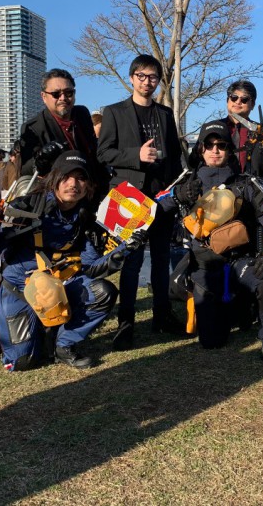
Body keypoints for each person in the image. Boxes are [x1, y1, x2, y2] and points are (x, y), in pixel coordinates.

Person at [0, 150, 144, 371]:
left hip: (59, 285)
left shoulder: (87, 218)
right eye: (67, 177)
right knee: (21, 362)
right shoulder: (29, 206)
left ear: (88, 186)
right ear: (54, 179)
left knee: (102, 292)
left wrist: (123, 250)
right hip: (20, 288)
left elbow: (90, 268)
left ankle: (64, 344)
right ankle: (40, 330)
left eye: (80, 178)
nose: (73, 184)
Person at [157, 120, 263, 370]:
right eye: (209, 145)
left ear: (230, 150)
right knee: (212, 341)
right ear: (201, 149)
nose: (215, 150)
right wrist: (177, 195)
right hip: (205, 268)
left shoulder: (246, 182)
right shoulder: (187, 182)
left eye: (221, 145)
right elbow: (154, 207)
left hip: (241, 261)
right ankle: (236, 309)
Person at [97, 53, 185, 350]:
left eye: (153, 77)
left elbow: (174, 156)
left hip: (161, 197)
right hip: (129, 197)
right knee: (131, 263)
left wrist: (175, 189)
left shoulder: (165, 114)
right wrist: (136, 155)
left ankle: (162, 315)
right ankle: (126, 323)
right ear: (132, 78)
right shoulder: (114, 112)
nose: (147, 82)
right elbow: (103, 153)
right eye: (142, 76)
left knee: (161, 259)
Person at [17, 68, 102, 191]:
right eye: (56, 94)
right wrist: (40, 158)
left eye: (69, 93)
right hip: (60, 194)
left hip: (92, 188)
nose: (63, 98)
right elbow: (25, 171)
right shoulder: (33, 127)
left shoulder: (82, 113)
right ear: (44, 96)